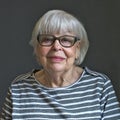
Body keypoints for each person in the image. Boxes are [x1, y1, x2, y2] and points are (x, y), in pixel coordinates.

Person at [1, 9, 120, 120]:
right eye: (47, 39)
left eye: (66, 40)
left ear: (77, 49)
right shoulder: (18, 88)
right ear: (37, 48)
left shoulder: (100, 86)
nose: (56, 47)